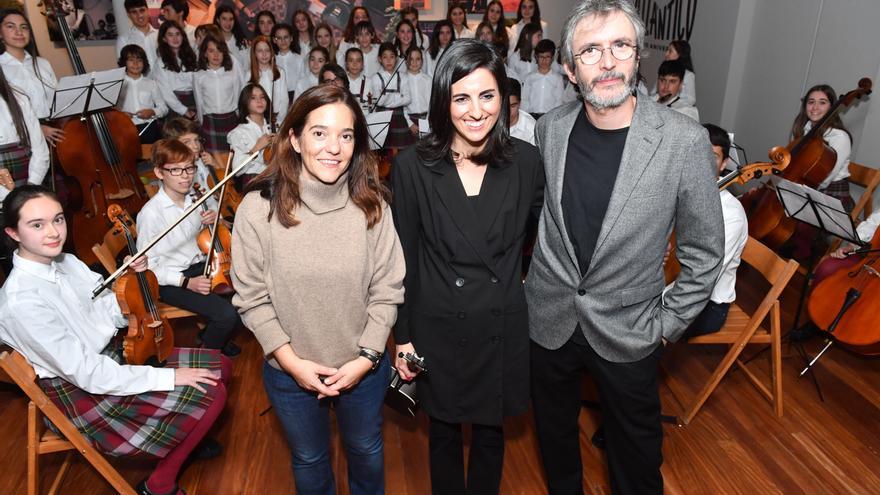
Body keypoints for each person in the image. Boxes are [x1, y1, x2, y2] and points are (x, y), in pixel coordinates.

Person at [525, 1, 724, 494]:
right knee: (555, 441)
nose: (608, 61)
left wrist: (666, 325)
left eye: (620, 46)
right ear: (570, 69)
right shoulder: (549, 129)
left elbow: (704, 253)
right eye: (591, 50)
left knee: (635, 461)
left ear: (638, 59)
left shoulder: (683, 140)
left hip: (630, 329)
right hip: (550, 320)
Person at [0, 184, 230, 495]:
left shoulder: (66, 262)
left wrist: (131, 285)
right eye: (36, 225)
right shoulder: (21, 301)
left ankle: (184, 437)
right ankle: (159, 483)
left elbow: (109, 311)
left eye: (58, 219)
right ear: (13, 233)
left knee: (223, 366)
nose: (53, 232)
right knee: (213, 392)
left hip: (112, 357)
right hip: (82, 389)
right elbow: (88, 373)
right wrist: (169, 375)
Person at [231, 84, 405, 495]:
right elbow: (252, 298)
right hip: (290, 371)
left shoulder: (373, 205)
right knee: (309, 458)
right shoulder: (258, 207)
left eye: (346, 135)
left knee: (365, 449)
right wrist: (293, 363)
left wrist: (365, 358)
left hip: (362, 367)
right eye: (320, 133)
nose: (334, 147)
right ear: (293, 138)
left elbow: (388, 288)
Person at [390, 39, 544, 495]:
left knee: (492, 434)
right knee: (442, 433)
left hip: (500, 322)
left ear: (503, 97)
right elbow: (405, 259)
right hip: (438, 322)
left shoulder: (527, 163)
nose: (476, 111)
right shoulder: (413, 166)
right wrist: (402, 337)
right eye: (461, 98)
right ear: (443, 101)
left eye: (487, 95)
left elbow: (551, 243)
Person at [137, 139, 241, 357]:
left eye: (189, 168)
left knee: (245, 293)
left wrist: (215, 220)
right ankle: (207, 355)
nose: (185, 176)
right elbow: (149, 268)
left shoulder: (194, 198)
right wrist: (187, 283)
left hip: (200, 266)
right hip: (171, 280)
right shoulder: (151, 214)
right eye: (175, 170)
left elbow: (209, 233)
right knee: (227, 315)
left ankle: (212, 337)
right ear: (159, 172)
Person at [683, 124, 748, 336]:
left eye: (712, 156)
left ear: (724, 164)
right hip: (669, 282)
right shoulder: (681, 190)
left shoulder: (731, 215)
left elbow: (704, 277)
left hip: (706, 304)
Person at [0, 9, 63, 146]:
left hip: (54, 132)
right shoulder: (1, 67)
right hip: (21, 138)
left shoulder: (43, 63)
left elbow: (58, 101)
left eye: (24, 27)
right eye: (11, 26)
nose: (19, 32)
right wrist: (37, 129)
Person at [0, 65, 49, 204]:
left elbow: (40, 150)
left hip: (28, 185)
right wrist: (8, 196)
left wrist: (31, 187)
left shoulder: (18, 96)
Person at [194, 34, 242, 154]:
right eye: (211, 51)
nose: (216, 55)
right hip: (210, 120)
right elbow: (199, 102)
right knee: (213, 159)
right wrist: (202, 123)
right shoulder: (199, 75)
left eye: (219, 50)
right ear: (205, 53)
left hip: (230, 119)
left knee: (233, 156)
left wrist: (238, 119)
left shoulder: (232, 74)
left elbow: (238, 98)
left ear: (224, 53)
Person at [117, 44, 168, 144]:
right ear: (124, 62)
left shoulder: (151, 83)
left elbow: (164, 108)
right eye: (131, 60)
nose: (136, 64)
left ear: (144, 63)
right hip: (126, 128)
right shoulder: (118, 84)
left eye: (139, 60)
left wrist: (152, 111)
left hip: (149, 128)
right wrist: (121, 115)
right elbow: (110, 111)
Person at [228, 84, 275, 188]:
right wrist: (256, 148)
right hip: (254, 180)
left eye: (262, 97)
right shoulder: (238, 133)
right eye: (253, 98)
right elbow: (237, 169)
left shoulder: (274, 127)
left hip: (275, 177)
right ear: (245, 102)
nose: (259, 101)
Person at [370, 42, 413, 151]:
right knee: (385, 154)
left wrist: (389, 99)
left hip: (399, 119)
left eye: (392, 57)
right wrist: (398, 97)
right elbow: (378, 102)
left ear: (397, 58)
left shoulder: (403, 76)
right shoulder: (375, 78)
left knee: (402, 153)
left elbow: (408, 98)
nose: (389, 60)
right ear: (380, 59)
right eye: (385, 57)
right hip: (383, 120)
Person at [154, 20, 198, 119]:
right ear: (164, 39)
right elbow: (165, 91)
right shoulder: (160, 62)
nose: (175, 38)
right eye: (170, 35)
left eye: (177, 34)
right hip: (174, 105)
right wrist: (183, 110)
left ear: (183, 36)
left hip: (196, 101)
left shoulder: (192, 57)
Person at [162, 116, 216, 194]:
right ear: (173, 146)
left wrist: (215, 166)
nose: (195, 146)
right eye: (187, 142)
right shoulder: (174, 174)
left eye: (196, 140)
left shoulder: (201, 161)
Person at [250, 35, 289, 125]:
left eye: (267, 50)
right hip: (257, 120)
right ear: (254, 53)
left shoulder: (280, 72)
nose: (264, 54)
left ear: (271, 52)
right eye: (260, 51)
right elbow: (248, 102)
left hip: (276, 120)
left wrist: (279, 121)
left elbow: (284, 100)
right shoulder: (248, 75)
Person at [521, 39, 564, 119]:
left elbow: (559, 101)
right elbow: (524, 99)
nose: (544, 60)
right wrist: (526, 116)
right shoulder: (529, 77)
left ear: (552, 58)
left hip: (549, 116)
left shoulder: (558, 78)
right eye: (541, 57)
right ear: (536, 57)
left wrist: (554, 117)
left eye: (547, 57)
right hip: (532, 116)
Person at [653, 39, 696, 107]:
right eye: (662, 80)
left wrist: (674, 106)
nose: (666, 54)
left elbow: (691, 100)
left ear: (679, 54)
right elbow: (654, 92)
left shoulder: (688, 75)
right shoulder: (664, 70)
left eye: (670, 51)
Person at [116, 0, 157, 65]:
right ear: (128, 15)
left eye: (142, 10)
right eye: (134, 12)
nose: (139, 15)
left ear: (148, 11)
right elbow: (124, 67)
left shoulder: (160, 35)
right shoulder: (123, 40)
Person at [272, 23, 304, 103]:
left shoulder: (299, 59)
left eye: (286, 37)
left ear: (291, 38)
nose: (283, 41)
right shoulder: (272, 60)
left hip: (296, 96)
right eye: (279, 38)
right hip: (277, 97)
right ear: (274, 40)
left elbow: (303, 81)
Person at [403, 46, 430, 138]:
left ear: (422, 61)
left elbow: (431, 103)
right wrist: (410, 123)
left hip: (426, 119)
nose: (414, 62)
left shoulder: (428, 80)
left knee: (425, 150)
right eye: (411, 59)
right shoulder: (402, 80)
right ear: (406, 60)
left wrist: (427, 122)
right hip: (409, 121)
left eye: (418, 59)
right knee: (410, 151)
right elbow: (402, 107)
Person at [214, 5, 250, 72]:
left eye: (231, 19)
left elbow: (248, 65)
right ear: (218, 20)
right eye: (224, 19)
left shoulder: (242, 41)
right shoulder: (213, 42)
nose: (228, 23)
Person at [507, 77, 536, 145]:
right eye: (503, 106)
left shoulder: (531, 128)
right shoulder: (488, 122)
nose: (507, 111)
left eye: (512, 106)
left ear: (520, 104)